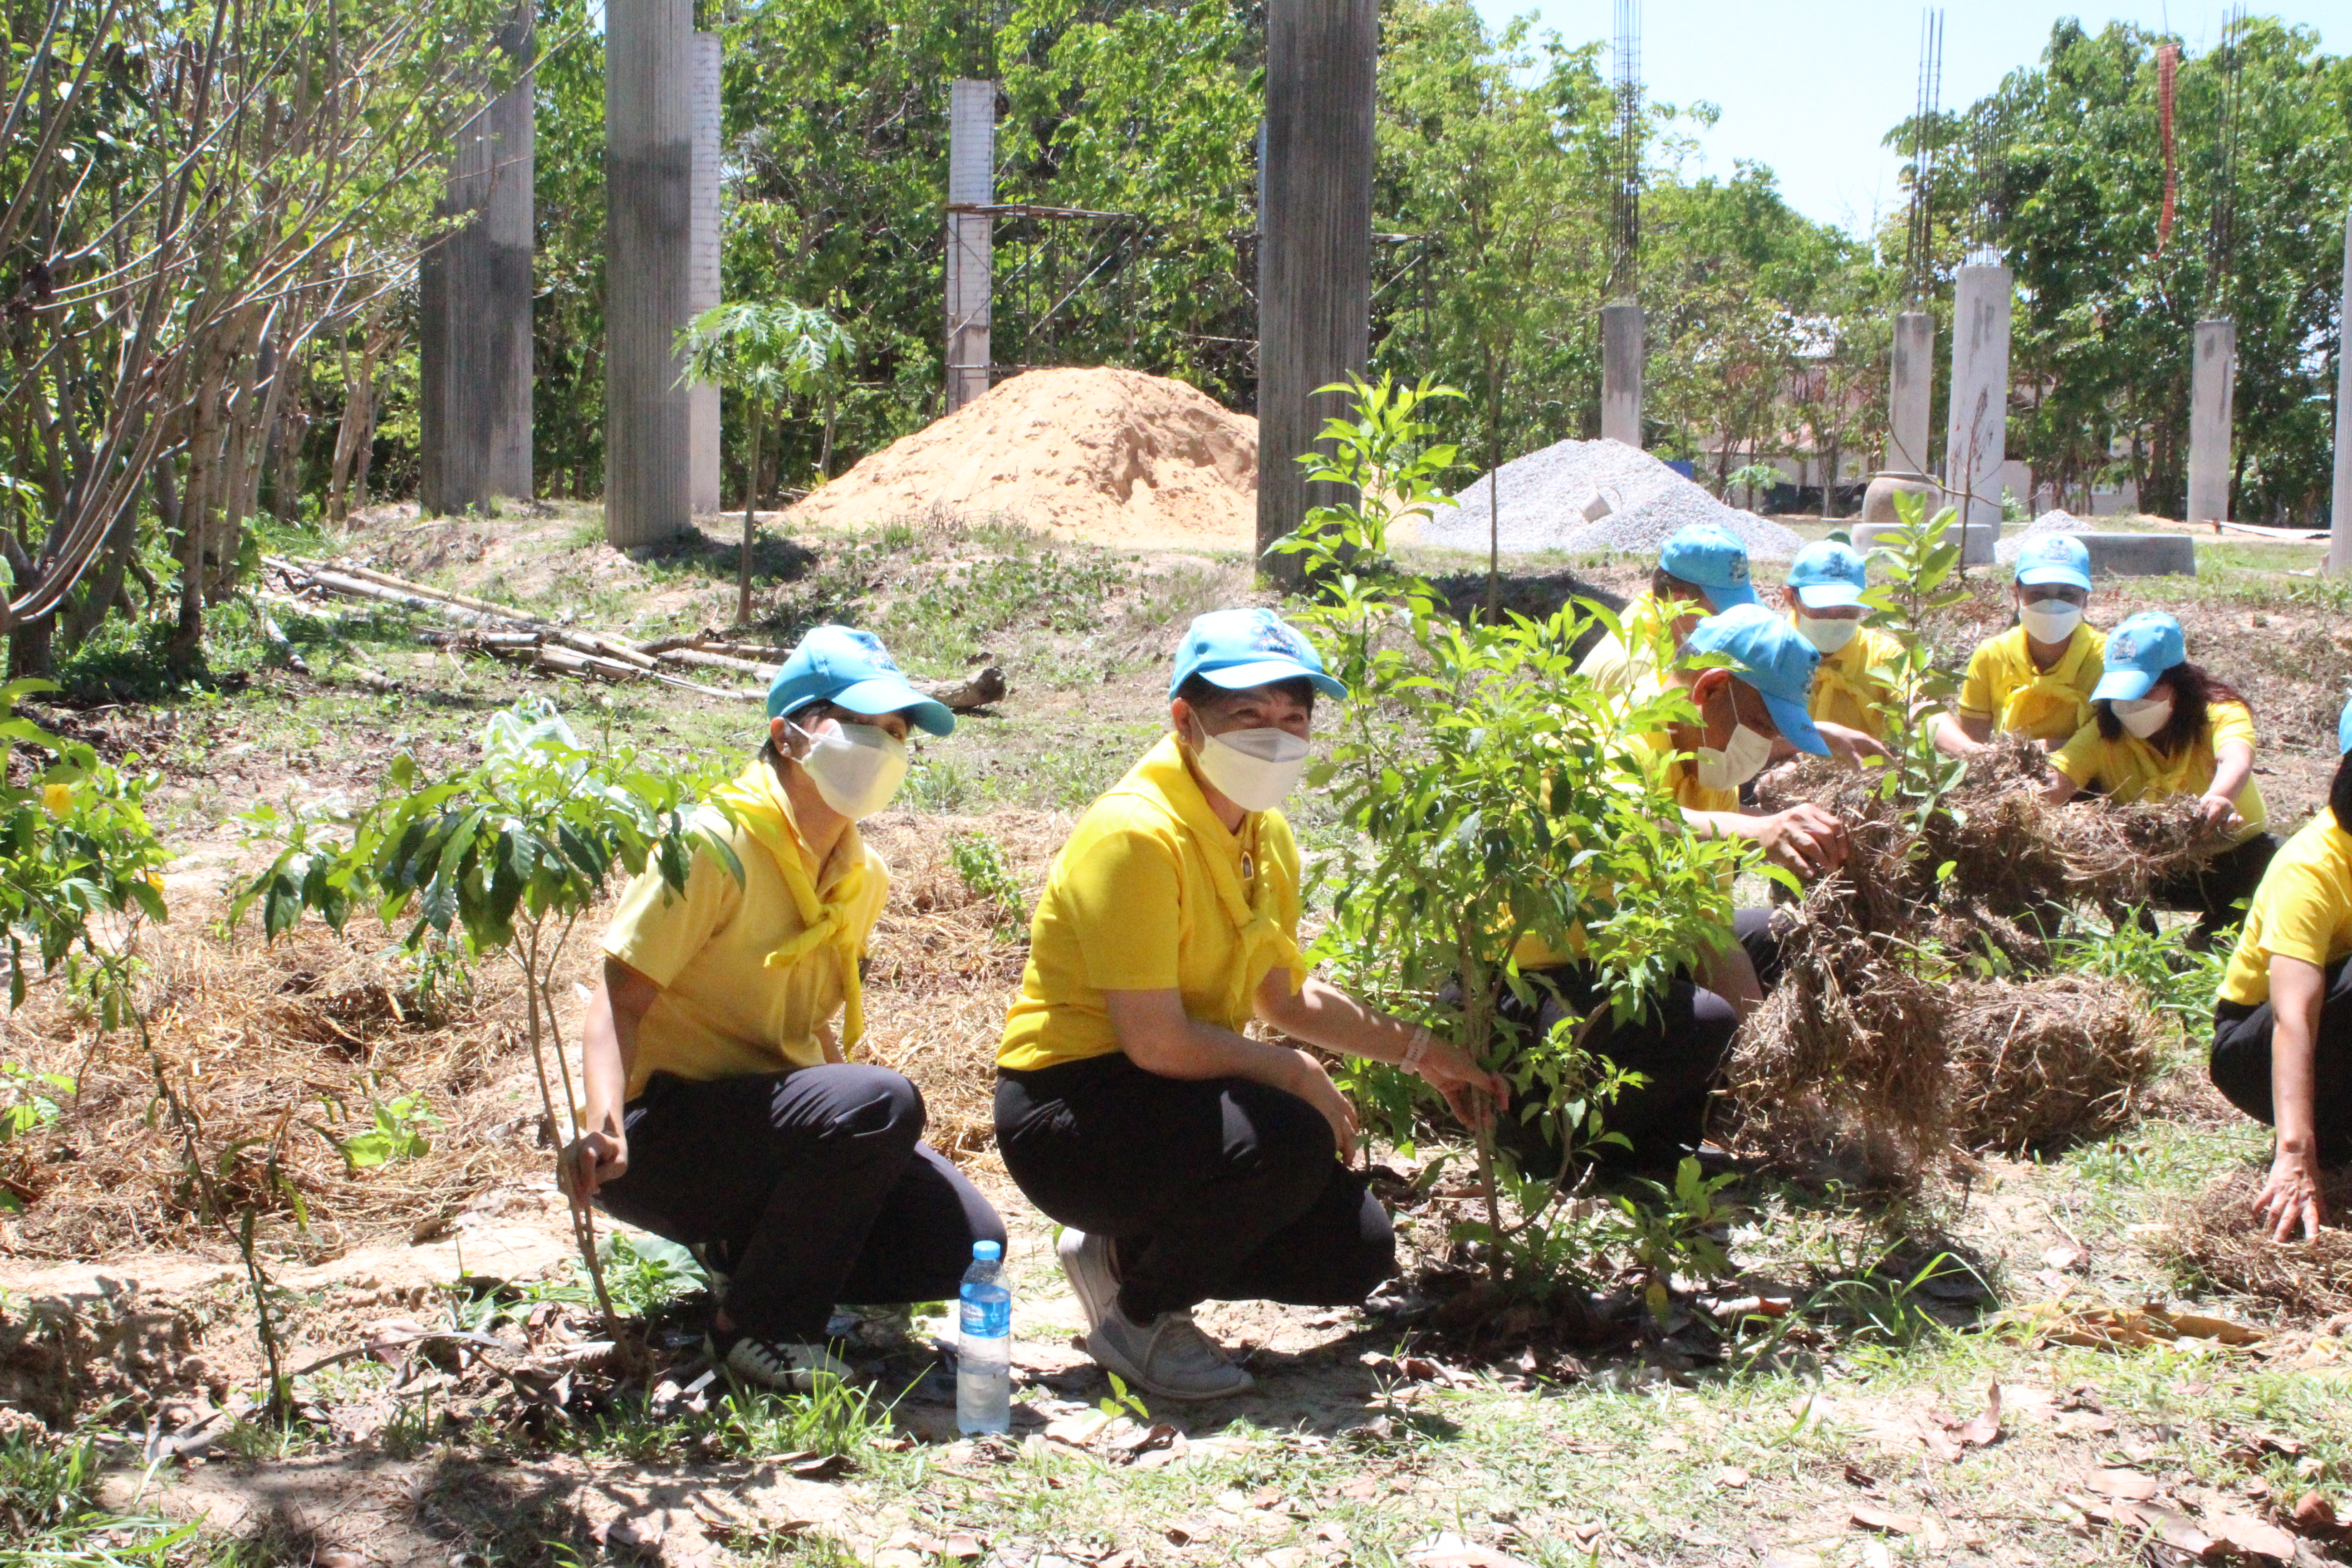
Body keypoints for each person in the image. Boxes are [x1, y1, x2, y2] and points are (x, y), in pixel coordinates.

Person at [993, 609, 1508, 1401]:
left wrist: (1423, 1051)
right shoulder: (1133, 834)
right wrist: (1294, 1072)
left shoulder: (1264, 836)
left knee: (1353, 1251)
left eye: (1292, 718)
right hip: (1070, 1110)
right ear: (1183, 720)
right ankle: (1140, 1320)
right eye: (1246, 714)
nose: (1274, 734)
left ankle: (1121, 1254)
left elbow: (1283, 996)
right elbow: (1156, 1042)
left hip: (1167, 1100)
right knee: (1286, 1137)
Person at [561, 626, 1005, 1391]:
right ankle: (755, 1329)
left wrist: (863, 1150)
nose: (883, 746)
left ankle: (751, 1259)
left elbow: (812, 1024)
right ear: (789, 734)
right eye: (860, 727)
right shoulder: (711, 844)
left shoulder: (859, 875)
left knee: (966, 1243)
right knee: (879, 1099)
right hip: (665, 1132)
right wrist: (600, 1126)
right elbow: (615, 999)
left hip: (771, 1126)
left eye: (897, 734)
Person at [1503, 604, 1838, 1173]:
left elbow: (1708, 933)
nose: (1764, 747)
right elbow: (1624, 819)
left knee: (1777, 937)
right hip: (1525, 993)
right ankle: (1571, 1151)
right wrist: (1759, 829)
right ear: (1710, 690)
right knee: (1702, 1022)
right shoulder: (1610, 737)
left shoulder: (1709, 771)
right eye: (1761, 726)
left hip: (1615, 970)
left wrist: (1768, 1065)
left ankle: (1690, 1111)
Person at [2207, 697, 2352, 1242]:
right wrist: (2294, 1153)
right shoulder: (2311, 867)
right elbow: (2294, 1016)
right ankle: (2315, 1137)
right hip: (2256, 1048)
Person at [2040, 611, 2274, 946]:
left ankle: (2212, 936)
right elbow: (2059, 779)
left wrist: (2219, 796)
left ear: (2178, 684)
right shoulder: (2104, 733)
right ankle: (2138, 940)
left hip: (2230, 859)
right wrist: (2019, 805)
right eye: (2122, 693)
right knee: (2089, 834)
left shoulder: (2220, 713)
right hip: (2150, 869)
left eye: (2144, 690)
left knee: (2277, 863)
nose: (2130, 704)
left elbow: (2235, 756)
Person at [1934, 534, 2105, 756]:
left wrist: (2033, 751)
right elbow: (1976, 749)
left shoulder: (2107, 659)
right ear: (2017, 595)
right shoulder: (1992, 655)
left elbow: (2115, 744)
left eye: (2067, 595)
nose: (2052, 605)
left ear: (2086, 599)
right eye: (2038, 594)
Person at [1577, 523, 1760, 698]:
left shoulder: (1654, 615)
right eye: (1720, 613)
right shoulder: (1638, 670)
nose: (1733, 624)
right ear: (1679, 601)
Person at [1778, 539, 1907, 746]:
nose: (1834, 620)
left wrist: (1969, 752)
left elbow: (1919, 708)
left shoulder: (1885, 655)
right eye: (1821, 610)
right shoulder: (1767, 654)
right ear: (1790, 598)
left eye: (1847, 610)